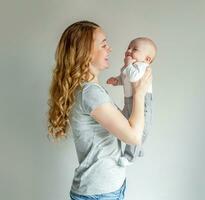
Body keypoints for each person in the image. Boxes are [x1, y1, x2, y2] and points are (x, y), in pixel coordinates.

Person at [47, 20, 152, 200]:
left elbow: (126, 127)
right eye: (103, 44)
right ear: (85, 52)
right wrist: (139, 92)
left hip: (106, 189)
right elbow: (133, 137)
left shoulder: (89, 90)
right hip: (99, 193)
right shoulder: (90, 93)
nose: (109, 49)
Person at [107, 37, 157, 166]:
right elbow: (126, 79)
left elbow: (134, 77)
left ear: (147, 59)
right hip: (129, 100)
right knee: (124, 122)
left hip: (143, 103)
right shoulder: (129, 67)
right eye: (128, 47)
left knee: (139, 129)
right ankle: (138, 149)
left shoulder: (143, 67)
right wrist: (116, 80)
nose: (129, 50)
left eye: (134, 49)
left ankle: (130, 157)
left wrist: (128, 65)